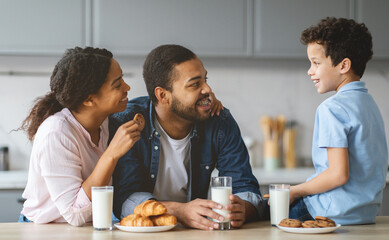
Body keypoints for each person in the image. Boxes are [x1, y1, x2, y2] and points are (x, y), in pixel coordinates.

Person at [110, 44, 268, 230]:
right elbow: (125, 198)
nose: (208, 89)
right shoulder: (129, 123)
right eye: (195, 84)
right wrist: (178, 211)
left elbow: (245, 187)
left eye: (205, 79)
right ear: (162, 95)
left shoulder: (219, 121)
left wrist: (242, 209)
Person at [19, 47, 142, 226]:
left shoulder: (106, 122)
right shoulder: (56, 132)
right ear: (89, 100)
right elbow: (74, 214)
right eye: (117, 85)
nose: (127, 87)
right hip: (44, 230)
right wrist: (111, 154)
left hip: (87, 226)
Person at [288, 17, 388, 225]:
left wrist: (294, 191)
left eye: (316, 63)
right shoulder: (370, 105)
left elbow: (337, 175)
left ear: (343, 65)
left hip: (326, 213)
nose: (310, 71)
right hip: (364, 215)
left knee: (259, 210)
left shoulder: (332, 108)